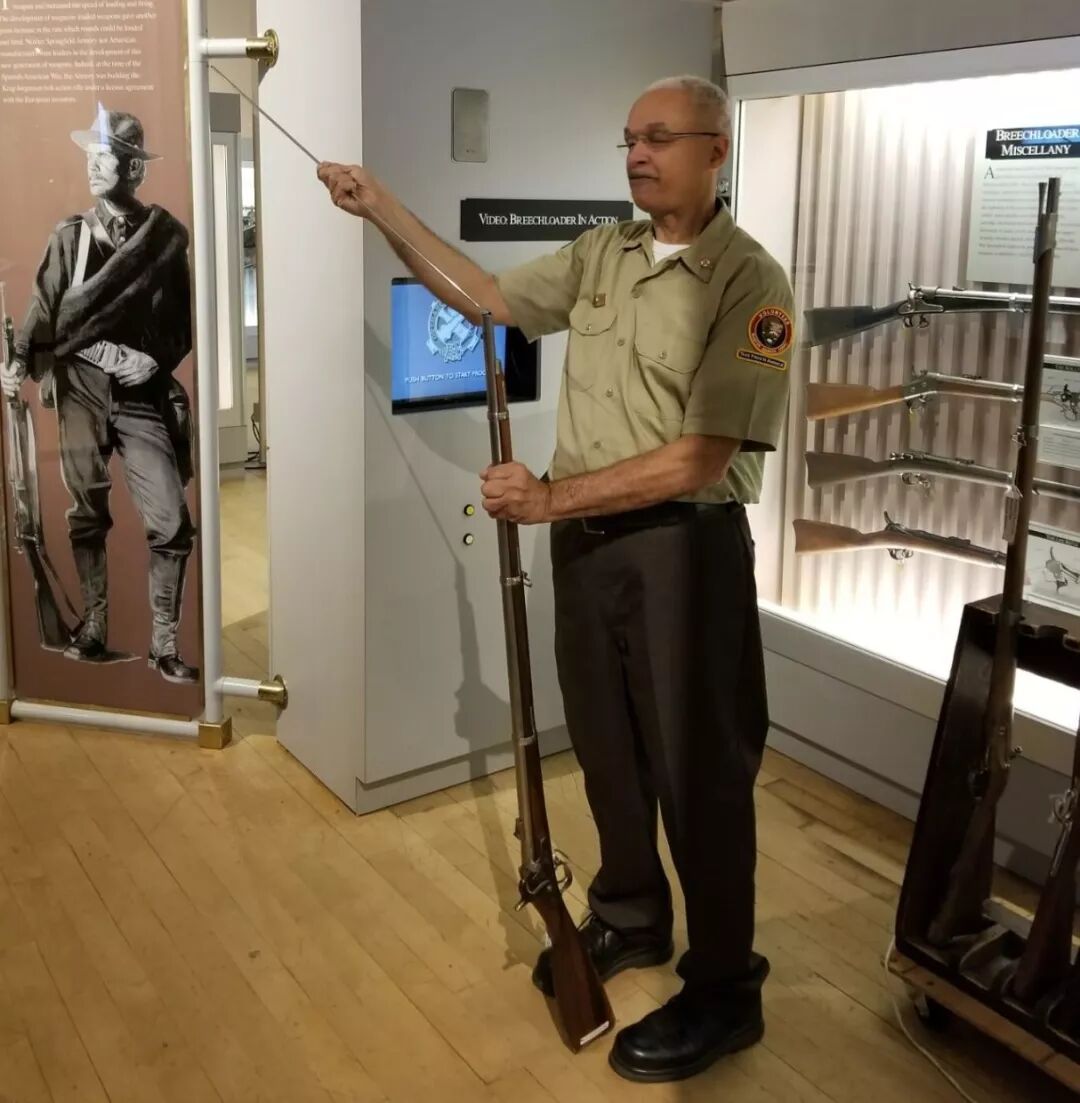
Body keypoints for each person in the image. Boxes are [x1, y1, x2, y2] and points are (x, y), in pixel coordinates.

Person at [319, 74, 793, 1083]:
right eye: (628, 139)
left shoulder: (752, 284)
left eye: (658, 138)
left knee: (699, 775)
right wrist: (380, 207)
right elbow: (484, 301)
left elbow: (703, 456)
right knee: (608, 749)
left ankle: (725, 985)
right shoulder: (601, 254)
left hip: (684, 554)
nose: (637, 155)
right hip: (585, 546)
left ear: (716, 150)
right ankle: (631, 912)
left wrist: (546, 498)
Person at [0, 107, 197, 682]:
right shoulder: (70, 235)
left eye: (104, 157)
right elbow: (42, 311)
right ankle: (94, 625)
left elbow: (181, 325)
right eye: (89, 156)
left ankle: (164, 645)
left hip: (141, 395)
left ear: (133, 168)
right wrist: (16, 365)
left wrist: (152, 359)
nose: (91, 165)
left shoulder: (165, 239)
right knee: (87, 512)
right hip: (80, 392)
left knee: (171, 522)